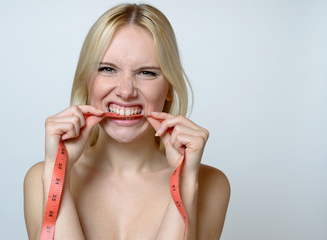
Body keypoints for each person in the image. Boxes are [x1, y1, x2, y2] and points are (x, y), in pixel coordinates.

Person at [24, 3, 230, 240]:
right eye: (108, 69)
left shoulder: (211, 185)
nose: (126, 90)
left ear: (169, 88)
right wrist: (58, 171)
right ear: (86, 81)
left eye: (147, 73)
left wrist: (184, 180)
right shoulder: (41, 177)